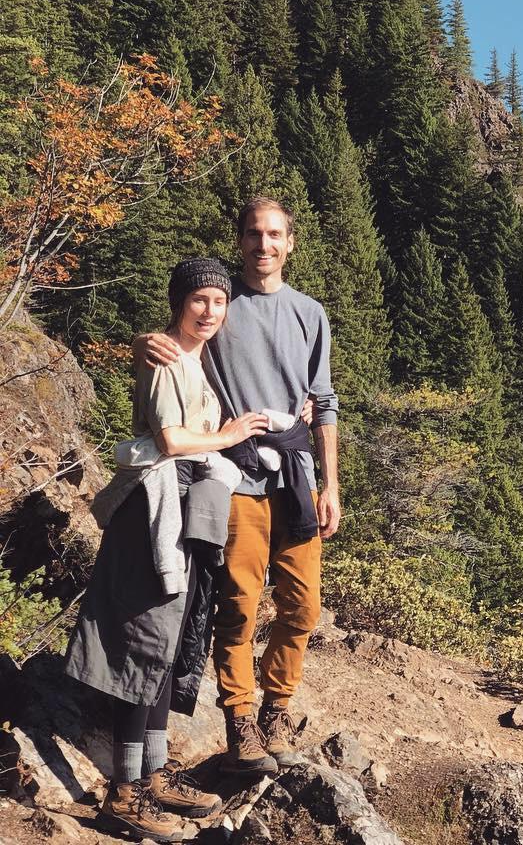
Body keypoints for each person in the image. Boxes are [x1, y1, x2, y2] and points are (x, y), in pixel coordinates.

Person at [66, 259, 269, 843]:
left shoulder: (198, 358)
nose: (209, 311)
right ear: (179, 301)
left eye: (219, 301)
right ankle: (124, 793)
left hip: (184, 510)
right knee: (147, 639)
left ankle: (151, 777)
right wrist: (229, 436)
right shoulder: (164, 357)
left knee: (170, 642)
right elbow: (172, 439)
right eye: (199, 299)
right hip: (154, 510)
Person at [137, 197, 340, 775]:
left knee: (303, 606)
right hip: (237, 477)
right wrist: (143, 343)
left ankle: (278, 710)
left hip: (296, 477)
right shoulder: (223, 305)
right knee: (239, 605)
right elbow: (180, 336)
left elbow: (324, 402)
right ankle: (240, 721)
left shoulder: (310, 313)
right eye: (254, 234)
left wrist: (331, 486)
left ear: (290, 243)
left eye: (274, 235)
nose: (263, 245)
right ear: (241, 240)